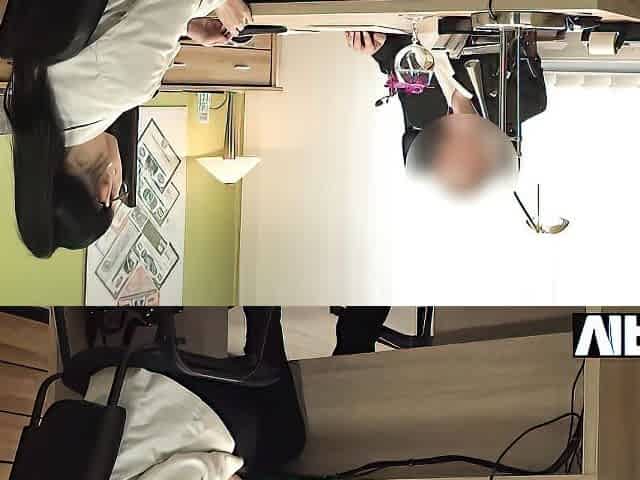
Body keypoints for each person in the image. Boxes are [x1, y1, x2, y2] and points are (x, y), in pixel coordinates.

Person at [3, 0, 253, 258]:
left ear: (105, 192)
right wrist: (185, 26)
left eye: (119, 193)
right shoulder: (32, 99)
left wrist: (224, 3)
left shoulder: (123, 88)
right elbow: (109, 22)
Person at [84, 307, 305, 479]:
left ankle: (264, 317)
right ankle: (263, 318)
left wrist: (227, 470)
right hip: (104, 403)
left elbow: (191, 467)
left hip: (148, 407)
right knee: (275, 443)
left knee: (284, 438)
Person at [344, 30, 548, 193]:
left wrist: (376, 46)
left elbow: (399, 62)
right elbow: (522, 33)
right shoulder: (527, 100)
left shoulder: (421, 116)